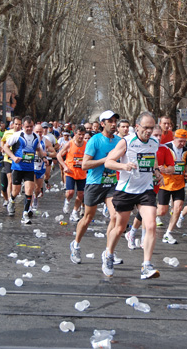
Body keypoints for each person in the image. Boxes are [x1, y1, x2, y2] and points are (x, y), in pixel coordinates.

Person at [102, 112, 163, 279]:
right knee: (120, 228)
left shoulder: (154, 143)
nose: (149, 131)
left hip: (146, 190)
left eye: (152, 128)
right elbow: (108, 162)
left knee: (151, 225)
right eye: (146, 128)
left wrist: (157, 172)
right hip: (126, 190)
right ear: (137, 127)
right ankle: (108, 254)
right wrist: (124, 166)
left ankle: (146, 265)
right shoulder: (126, 142)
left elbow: (153, 159)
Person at [70, 110, 121, 264]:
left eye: (114, 121)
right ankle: (76, 244)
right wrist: (106, 160)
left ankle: (108, 251)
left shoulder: (119, 141)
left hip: (111, 184)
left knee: (115, 216)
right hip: (95, 183)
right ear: (102, 124)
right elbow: (85, 164)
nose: (113, 124)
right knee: (88, 218)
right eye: (110, 121)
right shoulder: (95, 140)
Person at [4, 116, 50, 224]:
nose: (29, 129)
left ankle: (25, 213)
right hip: (18, 167)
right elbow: (5, 147)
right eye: (27, 127)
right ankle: (11, 201)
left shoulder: (35, 137)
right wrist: (13, 157)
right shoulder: (17, 135)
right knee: (15, 191)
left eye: (30, 126)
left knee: (29, 190)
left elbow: (38, 149)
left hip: (30, 168)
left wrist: (43, 157)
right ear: (23, 126)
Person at [159, 129, 187, 244]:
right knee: (162, 211)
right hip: (165, 183)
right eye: (180, 141)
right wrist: (165, 170)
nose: (182, 144)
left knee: (178, 208)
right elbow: (159, 163)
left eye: (184, 141)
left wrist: (186, 173)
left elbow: (185, 165)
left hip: (179, 184)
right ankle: (143, 215)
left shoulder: (186, 150)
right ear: (174, 138)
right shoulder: (166, 147)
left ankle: (168, 234)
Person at [57, 125, 87, 221]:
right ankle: (67, 201)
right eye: (79, 134)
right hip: (70, 172)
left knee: (81, 194)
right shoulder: (69, 144)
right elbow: (59, 155)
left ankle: (74, 212)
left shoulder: (86, 145)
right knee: (70, 192)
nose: (81, 137)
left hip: (82, 173)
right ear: (75, 134)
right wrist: (65, 166)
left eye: (83, 134)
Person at [32, 124, 57, 210]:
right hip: (31, 167)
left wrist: (46, 154)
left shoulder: (46, 141)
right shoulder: (30, 139)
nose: (39, 134)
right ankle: (29, 205)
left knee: (38, 188)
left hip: (41, 167)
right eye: (37, 132)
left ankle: (35, 197)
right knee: (31, 186)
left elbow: (54, 153)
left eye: (40, 132)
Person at [1, 117, 22, 207]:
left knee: (14, 181)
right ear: (13, 124)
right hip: (8, 159)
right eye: (16, 124)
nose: (17, 126)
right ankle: (10, 201)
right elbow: (3, 142)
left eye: (19, 124)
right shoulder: (7, 133)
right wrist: (3, 148)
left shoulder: (22, 134)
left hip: (18, 160)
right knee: (10, 180)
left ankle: (11, 197)